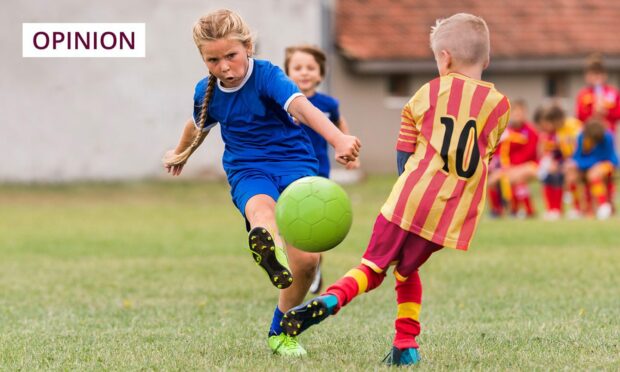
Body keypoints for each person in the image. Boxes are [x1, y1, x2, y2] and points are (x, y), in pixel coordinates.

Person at [281, 13, 510, 366]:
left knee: (372, 267)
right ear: (487, 60)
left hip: (411, 199)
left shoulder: (430, 91)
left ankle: (330, 299)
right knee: (406, 271)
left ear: (444, 58)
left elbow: (405, 149)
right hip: (451, 212)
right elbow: (487, 155)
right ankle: (406, 344)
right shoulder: (500, 106)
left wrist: (407, 181)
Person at [162, 9, 361, 357]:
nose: (224, 66)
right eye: (213, 60)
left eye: (231, 56)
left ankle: (281, 329)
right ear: (202, 59)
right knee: (261, 208)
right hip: (247, 168)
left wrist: (338, 139)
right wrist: (180, 154)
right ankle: (266, 245)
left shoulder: (268, 75)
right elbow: (197, 125)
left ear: (248, 47)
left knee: (309, 261)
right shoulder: (206, 91)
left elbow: (301, 107)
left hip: (295, 165)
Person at [284, 44, 360, 294]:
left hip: (318, 174)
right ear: (287, 73)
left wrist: (348, 150)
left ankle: (314, 265)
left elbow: (339, 122)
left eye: (310, 68)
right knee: (290, 223)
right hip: (287, 170)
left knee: (315, 224)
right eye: (297, 68)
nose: (304, 73)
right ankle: (294, 264)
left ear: (320, 74)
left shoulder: (328, 103)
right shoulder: (282, 102)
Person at [487, 99, 538, 217]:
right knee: (493, 179)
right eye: (515, 113)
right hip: (508, 167)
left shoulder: (531, 132)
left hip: (529, 165)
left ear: (525, 114)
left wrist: (511, 165)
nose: (517, 116)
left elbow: (529, 154)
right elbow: (498, 151)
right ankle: (497, 210)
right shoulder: (505, 131)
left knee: (513, 178)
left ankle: (525, 210)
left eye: (520, 113)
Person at [565, 118, 618, 219]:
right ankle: (577, 209)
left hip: (607, 163)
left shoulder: (607, 137)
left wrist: (581, 163)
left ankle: (603, 206)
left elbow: (602, 157)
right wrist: (573, 163)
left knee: (593, 174)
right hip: (587, 165)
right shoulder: (581, 137)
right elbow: (577, 156)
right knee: (571, 175)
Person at [536, 104, 581, 219]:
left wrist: (572, 161)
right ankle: (554, 209)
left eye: (551, 122)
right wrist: (554, 162)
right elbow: (560, 150)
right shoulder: (558, 131)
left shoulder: (573, 125)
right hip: (566, 161)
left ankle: (577, 208)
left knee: (569, 173)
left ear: (556, 120)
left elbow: (581, 146)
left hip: (579, 160)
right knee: (549, 175)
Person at [575, 53, 620, 134]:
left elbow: (618, 113)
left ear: (605, 75)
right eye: (592, 74)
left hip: (608, 133)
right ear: (587, 76)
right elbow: (579, 115)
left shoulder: (612, 93)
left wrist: (607, 112)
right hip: (589, 134)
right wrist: (593, 112)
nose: (596, 77)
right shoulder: (583, 94)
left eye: (598, 74)